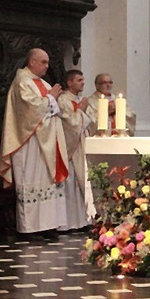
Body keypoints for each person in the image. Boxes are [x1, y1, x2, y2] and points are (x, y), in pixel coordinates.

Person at [0, 48, 69, 238]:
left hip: (46, 141)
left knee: (47, 180)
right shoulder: (22, 82)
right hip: (29, 143)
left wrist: (52, 100)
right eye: (44, 62)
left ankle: (49, 225)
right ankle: (29, 227)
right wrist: (51, 99)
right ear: (32, 62)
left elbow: (58, 108)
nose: (47, 66)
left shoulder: (43, 83)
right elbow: (29, 110)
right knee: (31, 181)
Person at [57, 70, 95, 231]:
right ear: (69, 82)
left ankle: (84, 220)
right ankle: (69, 223)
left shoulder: (81, 100)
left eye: (83, 79)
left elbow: (90, 122)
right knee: (71, 183)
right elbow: (67, 124)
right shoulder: (63, 100)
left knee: (84, 182)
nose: (83, 83)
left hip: (83, 144)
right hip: (72, 149)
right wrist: (80, 110)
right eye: (79, 80)